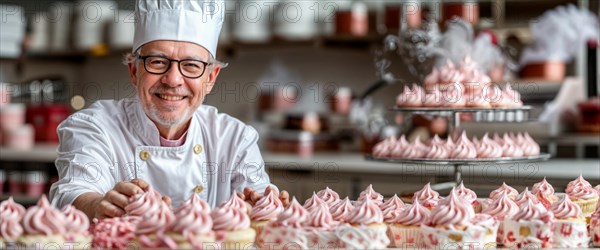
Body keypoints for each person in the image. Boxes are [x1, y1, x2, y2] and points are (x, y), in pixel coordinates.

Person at [49, 0, 288, 219]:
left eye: (191, 65)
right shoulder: (94, 126)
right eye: (157, 62)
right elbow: (74, 193)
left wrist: (262, 206)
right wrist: (99, 205)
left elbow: (259, 204)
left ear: (211, 78)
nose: (173, 80)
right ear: (133, 70)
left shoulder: (235, 139)